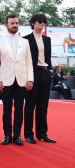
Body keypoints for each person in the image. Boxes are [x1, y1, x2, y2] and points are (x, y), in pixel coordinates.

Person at [0, 14, 34, 146]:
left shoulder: (25, 42)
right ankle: (6, 135)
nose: (15, 25)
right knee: (6, 109)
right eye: (12, 23)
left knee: (19, 109)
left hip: (21, 80)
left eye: (16, 23)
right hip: (5, 80)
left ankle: (17, 136)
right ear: (6, 25)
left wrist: (30, 79)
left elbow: (29, 63)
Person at [23, 14, 56, 144]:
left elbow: (48, 59)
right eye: (40, 21)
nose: (42, 24)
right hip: (32, 73)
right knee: (30, 105)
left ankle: (42, 133)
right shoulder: (25, 39)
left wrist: (50, 72)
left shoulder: (47, 40)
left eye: (44, 22)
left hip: (45, 73)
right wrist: (27, 77)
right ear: (33, 23)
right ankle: (28, 134)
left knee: (43, 106)